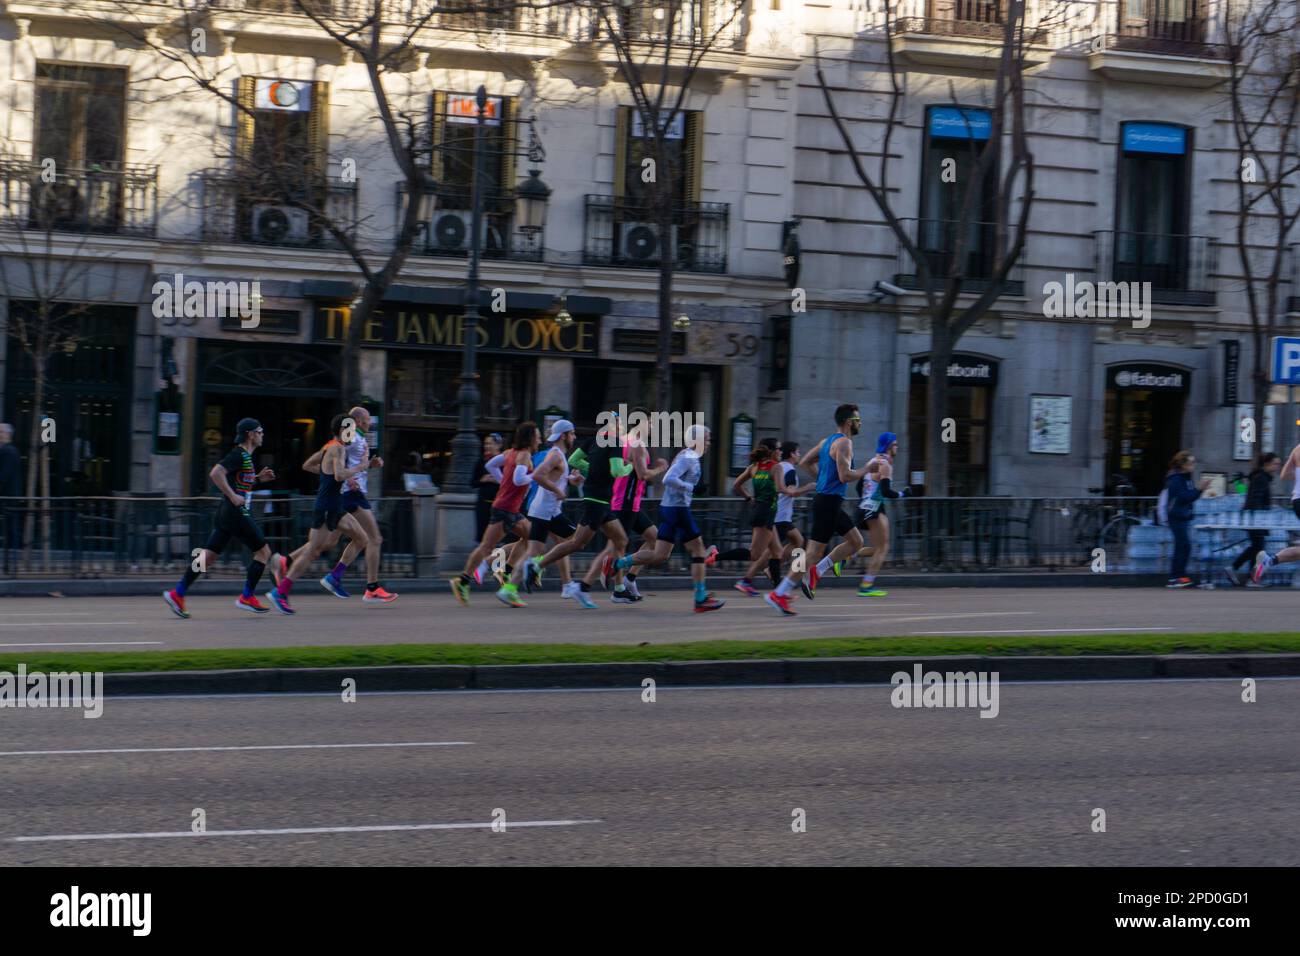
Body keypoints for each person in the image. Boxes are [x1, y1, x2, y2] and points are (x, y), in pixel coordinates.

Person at [163, 418, 284, 617]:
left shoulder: (245, 457)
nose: (263, 435)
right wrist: (232, 495)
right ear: (250, 434)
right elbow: (216, 473)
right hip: (235, 511)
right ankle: (247, 596)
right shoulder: (238, 454)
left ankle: (178, 592)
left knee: (208, 556)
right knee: (264, 552)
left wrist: (257, 479)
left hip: (226, 513)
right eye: (260, 431)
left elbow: (239, 482)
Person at [765, 404, 870, 615]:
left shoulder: (826, 441)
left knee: (856, 541)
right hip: (828, 502)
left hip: (830, 500)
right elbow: (844, 476)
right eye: (858, 419)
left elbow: (805, 462)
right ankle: (780, 593)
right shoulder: (844, 444)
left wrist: (822, 481)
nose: (860, 423)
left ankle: (817, 572)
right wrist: (866, 469)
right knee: (812, 553)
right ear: (849, 421)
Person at [266, 415, 371, 614]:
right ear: (343, 430)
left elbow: (308, 465)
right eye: (351, 429)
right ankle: (280, 592)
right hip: (326, 507)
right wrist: (361, 467)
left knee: (362, 538)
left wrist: (328, 476)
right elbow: (340, 475)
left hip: (335, 506)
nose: (353, 434)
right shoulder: (338, 448)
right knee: (312, 551)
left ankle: (334, 577)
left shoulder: (328, 446)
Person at [614, 425, 724, 613]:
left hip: (671, 508)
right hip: (677, 509)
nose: (708, 443)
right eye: (706, 439)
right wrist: (691, 489)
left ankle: (617, 563)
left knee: (660, 555)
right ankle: (700, 598)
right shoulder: (688, 457)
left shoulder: (689, 456)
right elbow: (668, 479)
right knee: (698, 550)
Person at [526, 414, 633, 610]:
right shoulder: (616, 443)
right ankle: (541, 568)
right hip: (597, 501)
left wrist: (594, 469)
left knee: (621, 540)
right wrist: (630, 466)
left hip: (600, 500)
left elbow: (575, 460)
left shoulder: (593, 441)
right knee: (577, 542)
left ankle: (618, 589)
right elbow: (617, 471)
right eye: (619, 423)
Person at [450, 421, 538, 605]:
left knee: (531, 537)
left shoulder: (509, 453)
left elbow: (491, 465)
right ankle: (462, 581)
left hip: (510, 508)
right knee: (485, 547)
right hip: (504, 509)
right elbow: (519, 478)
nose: (540, 439)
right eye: (537, 436)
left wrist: (502, 483)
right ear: (530, 438)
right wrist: (536, 475)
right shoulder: (523, 455)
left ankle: (505, 573)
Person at [511, 420, 584, 601]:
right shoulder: (556, 455)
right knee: (577, 540)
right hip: (548, 511)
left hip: (542, 510)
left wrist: (570, 479)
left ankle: (509, 588)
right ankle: (539, 568)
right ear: (563, 436)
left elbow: (553, 476)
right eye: (572, 433)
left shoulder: (557, 454)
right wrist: (558, 490)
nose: (574, 437)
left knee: (532, 551)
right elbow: (538, 475)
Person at [338, 406, 397, 604]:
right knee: (375, 538)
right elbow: (336, 456)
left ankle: (287, 564)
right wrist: (348, 480)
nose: (371, 422)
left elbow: (353, 462)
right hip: (351, 494)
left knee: (326, 541)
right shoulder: (350, 434)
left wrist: (371, 465)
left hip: (354, 493)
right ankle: (372, 588)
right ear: (359, 420)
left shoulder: (360, 437)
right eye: (368, 419)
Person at [855, 431, 909, 597]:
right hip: (874, 508)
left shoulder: (872, 461)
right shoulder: (885, 464)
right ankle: (866, 586)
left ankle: (848, 555)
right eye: (895, 444)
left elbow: (859, 487)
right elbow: (886, 491)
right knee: (883, 547)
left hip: (867, 507)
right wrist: (903, 494)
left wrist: (866, 500)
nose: (897, 447)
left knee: (879, 547)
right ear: (888, 446)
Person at [730, 440, 782, 597]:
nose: (781, 452)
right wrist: (801, 490)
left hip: (762, 511)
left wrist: (749, 498)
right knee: (755, 554)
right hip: (766, 513)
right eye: (779, 449)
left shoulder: (754, 467)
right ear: (772, 451)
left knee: (778, 552)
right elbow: (781, 489)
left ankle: (779, 592)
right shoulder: (775, 467)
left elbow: (736, 485)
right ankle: (716, 556)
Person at [1226, 452, 1279, 587]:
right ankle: (1250, 578)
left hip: (1255, 517)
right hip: (1257, 518)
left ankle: (1237, 569)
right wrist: (1260, 515)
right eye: (1275, 464)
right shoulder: (1261, 478)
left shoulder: (1260, 477)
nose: (1277, 467)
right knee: (1258, 549)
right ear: (1267, 464)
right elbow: (1256, 498)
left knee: (1256, 548)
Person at [1252, 442, 1300, 583]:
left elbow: (1284, 475)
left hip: (1297, 500)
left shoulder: (1296, 448)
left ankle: (1269, 560)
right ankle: (1269, 561)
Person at [1163, 450, 1209, 588]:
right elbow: (1183, 497)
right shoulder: (1176, 479)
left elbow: (1189, 496)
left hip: (1182, 515)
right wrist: (1199, 490)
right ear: (1183, 465)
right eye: (1190, 463)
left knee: (1183, 546)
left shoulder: (1186, 477)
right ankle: (1176, 576)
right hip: (1176, 516)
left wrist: (1197, 491)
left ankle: (1179, 575)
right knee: (1183, 546)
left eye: (1193, 462)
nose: (1193, 465)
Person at [472, 433, 503, 543]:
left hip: (500, 505)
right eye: (486, 443)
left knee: (498, 537)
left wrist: (498, 480)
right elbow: (472, 482)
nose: (487, 446)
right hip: (483, 505)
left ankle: (498, 560)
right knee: (482, 537)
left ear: (499, 445)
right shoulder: (481, 461)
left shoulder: (505, 461)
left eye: (491, 443)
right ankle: (482, 560)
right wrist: (483, 480)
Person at [0, 423, 20, 573]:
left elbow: (3, 477)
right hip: (8, 497)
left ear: (7, 434)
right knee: (10, 530)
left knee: (10, 531)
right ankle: (10, 564)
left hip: (7, 497)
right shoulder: (7, 450)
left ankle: (11, 564)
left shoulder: (8, 451)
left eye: (1, 432)